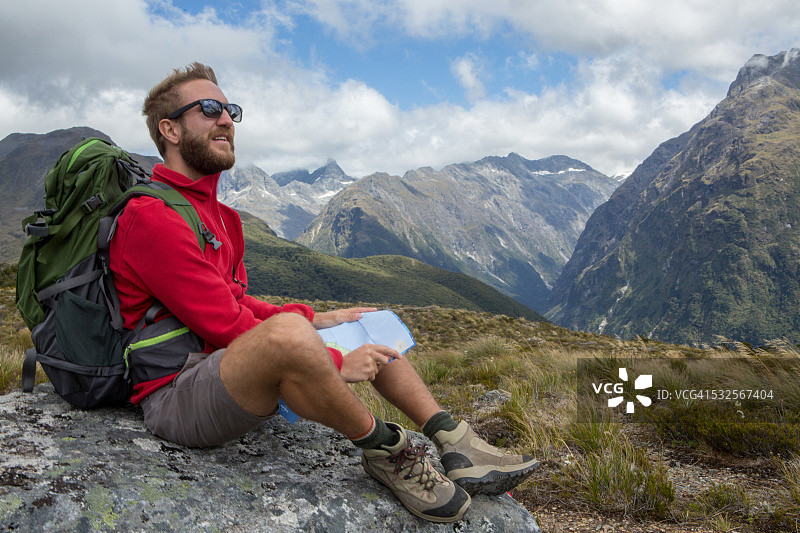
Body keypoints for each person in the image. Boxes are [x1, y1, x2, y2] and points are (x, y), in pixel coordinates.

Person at [109, 62, 538, 523]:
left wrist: (317, 319)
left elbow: (235, 299)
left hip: (225, 370)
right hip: (176, 392)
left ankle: (454, 440)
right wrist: (333, 360)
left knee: (358, 322)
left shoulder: (222, 216)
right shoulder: (150, 217)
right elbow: (225, 323)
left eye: (230, 109)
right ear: (169, 129)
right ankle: (386, 450)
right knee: (289, 335)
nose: (226, 120)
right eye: (209, 108)